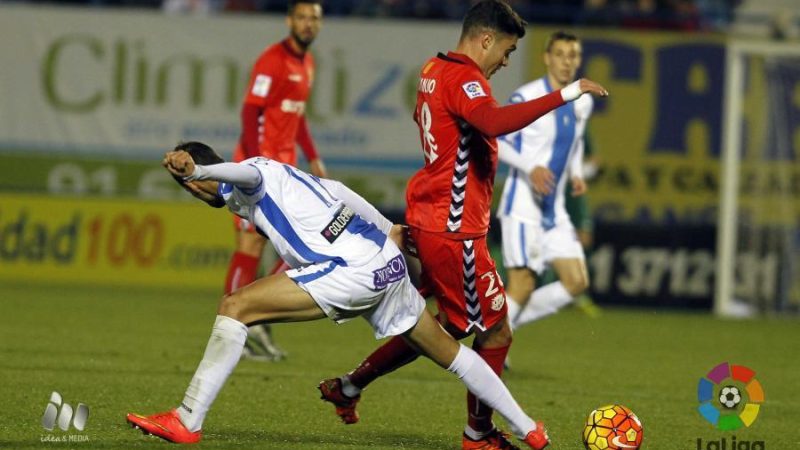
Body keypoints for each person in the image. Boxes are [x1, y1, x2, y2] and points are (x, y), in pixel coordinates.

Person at [125, 142, 550, 449]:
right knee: (452, 355)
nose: (193, 190)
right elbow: (339, 191)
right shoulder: (282, 183)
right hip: (385, 262)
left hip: (352, 271)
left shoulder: (254, 173)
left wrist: (196, 172)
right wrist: (387, 228)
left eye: (190, 182)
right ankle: (530, 430)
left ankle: (186, 420)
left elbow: (246, 174)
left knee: (235, 306)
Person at [317, 3, 608, 449]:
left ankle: (350, 385)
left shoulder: (433, 69)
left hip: (431, 218)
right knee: (495, 330)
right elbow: (492, 123)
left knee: (442, 327)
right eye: (507, 50)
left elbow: (435, 127)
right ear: (486, 39)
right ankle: (480, 434)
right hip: (454, 231)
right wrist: (566, 94)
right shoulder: (465, 78)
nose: (505, 62)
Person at [226, 0, 327, 362]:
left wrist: (313, 155)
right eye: (301, 18)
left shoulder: (308, 63)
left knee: (298, 245)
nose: (307, 24)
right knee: (250, 244)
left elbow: (296, 117)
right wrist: (254, 163)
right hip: (260, 168)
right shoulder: (272, 59)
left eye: (313, 18)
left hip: (286, 170)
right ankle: (235, 323)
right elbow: (250, 111)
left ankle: (255, 317)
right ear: (289, 21)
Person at [496, 31, 594, 330]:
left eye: (573, 55)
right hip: (523, 207)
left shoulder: (582, 101)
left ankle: (501, 330)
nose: (567, 62)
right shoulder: (527, 97)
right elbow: (496, 140)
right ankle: (492, 344)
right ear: (547, 58)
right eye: (560, 54)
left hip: (555, 210)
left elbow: (574, 141)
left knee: (576, 281)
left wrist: (576, 172)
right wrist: (530, 167)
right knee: (522, 286)